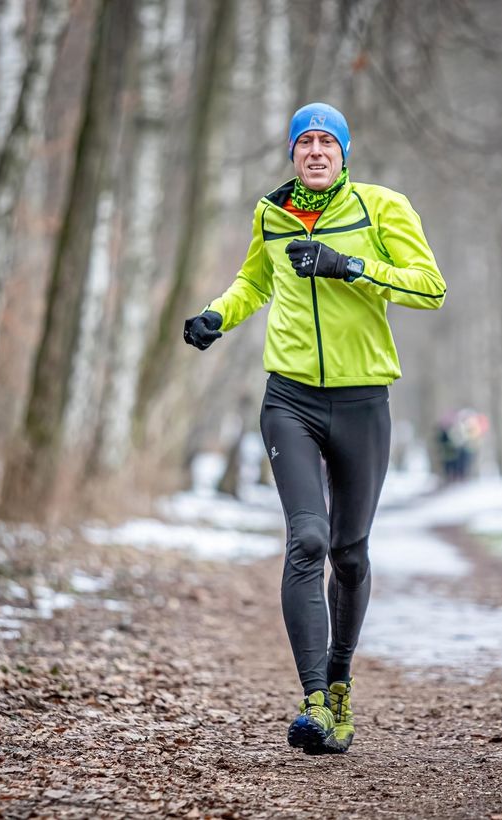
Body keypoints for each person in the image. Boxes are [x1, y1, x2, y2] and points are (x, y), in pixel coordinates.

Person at [183, 102, 446, 754]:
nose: (317, 151)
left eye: (329, 141)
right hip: (290, 398)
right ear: (293, 152)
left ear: (345, 152)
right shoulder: (271, 212)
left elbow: (429, 287)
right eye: (306, 141)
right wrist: (218, 315)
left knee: (348, 554)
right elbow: (255, 278)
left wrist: (349, 265)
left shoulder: (382, 208)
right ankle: (311, 705)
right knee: (306, 540)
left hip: (363, 402)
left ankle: (337, 684)